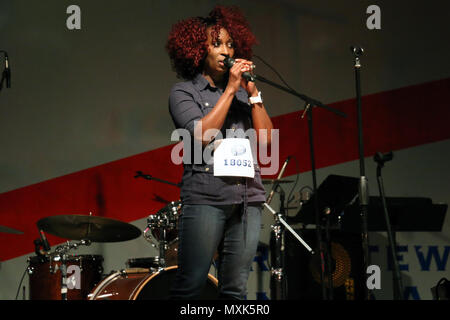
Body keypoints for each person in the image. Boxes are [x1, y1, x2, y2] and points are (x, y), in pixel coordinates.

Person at [166, 5, 274, 300]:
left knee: (236, 291)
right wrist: (230, 91)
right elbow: (201, 135)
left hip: (247, 199)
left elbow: (266, 141)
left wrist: (253, 94)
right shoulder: (184, 92)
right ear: (198, 51)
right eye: (217, 44)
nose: (226, 51)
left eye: (229, 44)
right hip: (206, 197)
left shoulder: (243, 93)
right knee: (191, 286)